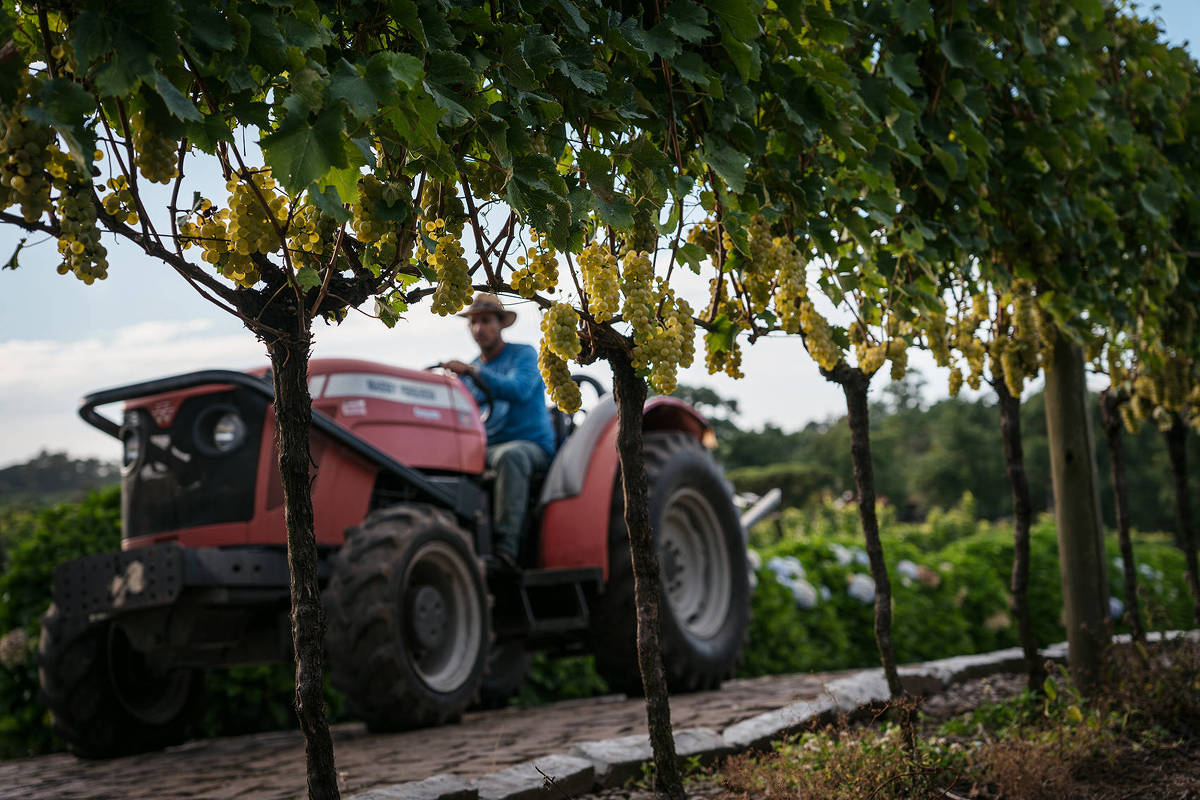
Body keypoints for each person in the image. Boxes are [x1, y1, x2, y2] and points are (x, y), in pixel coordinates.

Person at [440, 293, 557, 571]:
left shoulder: (524, 355)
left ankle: (506, 551)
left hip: (529, 445)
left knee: (510, 457)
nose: (479, 328)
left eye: (486, 321)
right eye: (473, 322)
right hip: (487, 448)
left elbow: (518, 389)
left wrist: (473, 373)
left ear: (501, 324)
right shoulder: (472, 369)